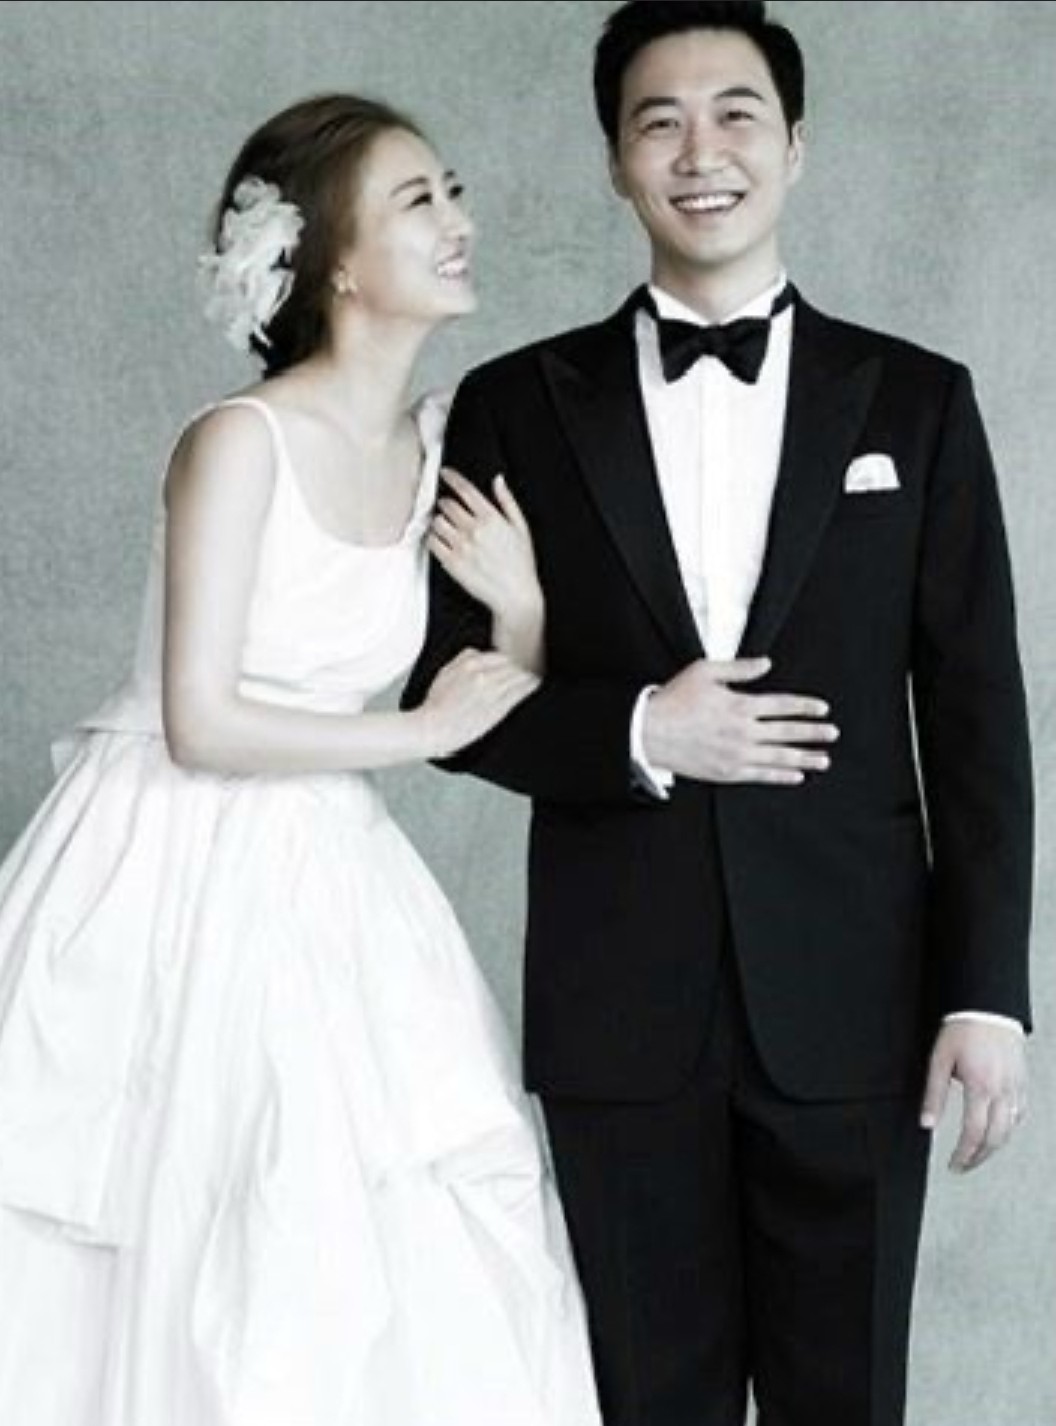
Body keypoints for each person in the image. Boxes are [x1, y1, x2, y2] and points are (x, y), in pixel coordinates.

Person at [403, 3, 1035, 1423]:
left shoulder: (921, 402)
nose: (702, 153)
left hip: (861, 1007)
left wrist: (986, 992)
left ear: (795, 146)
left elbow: (979, 718)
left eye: (736, 114)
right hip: (619, 1008)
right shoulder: (512, 406)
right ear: (616, 162)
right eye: (660, 122)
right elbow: (445, 702)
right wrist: (638, 730)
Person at [0, 92, 603, 1426]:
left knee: (365, 1229)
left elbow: (493, 692)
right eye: (418, 201)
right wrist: (416, 733)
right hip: (163, 856)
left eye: (453, 190)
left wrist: (522, 617)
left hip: (334, 870)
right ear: (335, 261)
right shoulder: (239, 440)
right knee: (175, 1215)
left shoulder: (442, 445)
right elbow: (202, 718)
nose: (459, 220)